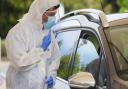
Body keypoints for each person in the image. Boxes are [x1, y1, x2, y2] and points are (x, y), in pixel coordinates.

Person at [5, 0, 61, 89]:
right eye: (51, 15)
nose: (53, 18)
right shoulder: (17, 32)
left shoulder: (48, 34)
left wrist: (52, 75)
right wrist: (40, 50)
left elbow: (55, 58)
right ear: (39, 12)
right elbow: (19, 63)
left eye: (54, 14)